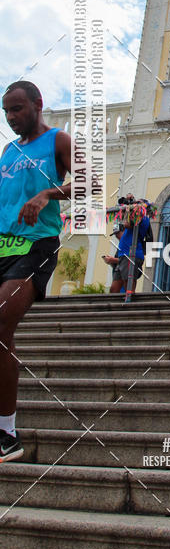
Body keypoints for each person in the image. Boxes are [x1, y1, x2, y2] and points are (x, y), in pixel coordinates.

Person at [0, 81, 72, 462]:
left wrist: (47, 194)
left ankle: (6, 434)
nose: (12, 118)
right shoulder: (8, 151)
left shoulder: (58, 141)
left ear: (37, 104)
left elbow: (92, 182)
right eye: (6, 112)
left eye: (17, 109)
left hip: (36, 246)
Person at [103, 203, 150, 295]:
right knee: (114, 289)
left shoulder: (142, 218)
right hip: (123, 255)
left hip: (130, 254)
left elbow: (127, 224)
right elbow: (124, 222)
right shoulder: (130, 226)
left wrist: (128, 212)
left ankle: (129, 304)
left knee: (128, 284)